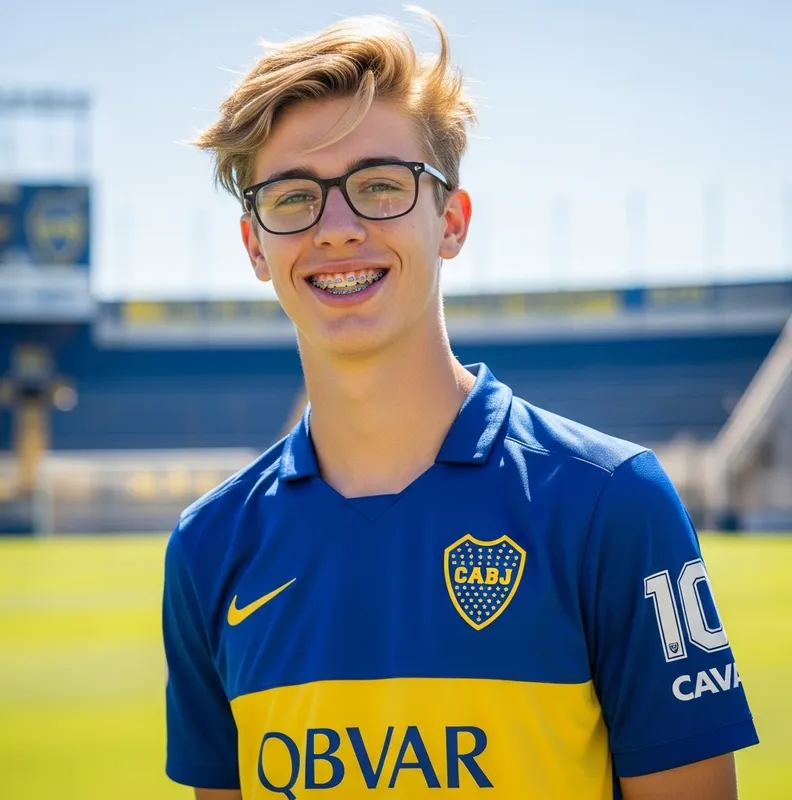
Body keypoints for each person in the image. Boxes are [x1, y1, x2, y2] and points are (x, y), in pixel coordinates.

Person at [162, 10, 758, 799]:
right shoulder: (209, 548)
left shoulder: (614, 506)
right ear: (253, 246)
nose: (337, 228)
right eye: (294, 196)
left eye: (378, 185)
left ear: (450, 220)